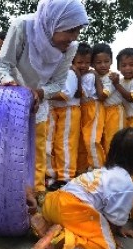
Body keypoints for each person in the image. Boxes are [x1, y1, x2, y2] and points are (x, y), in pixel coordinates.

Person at [0, 0, 88, 199]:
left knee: (36, 154)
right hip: (8, 101)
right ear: (55, 22)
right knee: (8, 152)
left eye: (77, 31)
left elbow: (58, 82)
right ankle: (5, 200)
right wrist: (15, 89)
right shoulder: (23, 27)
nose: (73, 38)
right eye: (71, 30)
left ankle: (36, 196)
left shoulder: (70, 47)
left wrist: (39, 93)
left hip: (38, 105)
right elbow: (2, 65)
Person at [30, 127, 133, 249]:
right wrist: (107, 236)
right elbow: (113, 220)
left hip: (53, 202)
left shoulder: (104, 171)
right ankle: (60, 240)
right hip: (72, 209)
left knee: (77, 216)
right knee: (106, 247)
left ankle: (45, 223)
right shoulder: (125, 184)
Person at [46, 42, 84, 190]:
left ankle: (65, 177)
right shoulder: (50, 70)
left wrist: (42, 93)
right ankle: (50, 175)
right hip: (52, 110)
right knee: (49, 144)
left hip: (68, 110)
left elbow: (65, 94)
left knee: (65, 144)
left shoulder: (69, 72)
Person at [76, 43, 105, 175]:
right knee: (81, 141)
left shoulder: (90, 76)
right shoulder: (77, 74)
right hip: (81, 109)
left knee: (92, 140)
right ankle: (80, 170)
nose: (83, 65)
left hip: (93, 108)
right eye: (80, 62)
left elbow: (81, 93)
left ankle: (98, 171)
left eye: (87, 62)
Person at [91, 43, 125, 155]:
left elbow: (102, 96)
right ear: (92, 63)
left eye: (106, 61)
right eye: (98, 62)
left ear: (111, 61)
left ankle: (118, 168)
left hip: (115, 112)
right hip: (102, 112)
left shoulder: (111, 77)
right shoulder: (93, 76)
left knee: (115, 141)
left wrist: (96, 77)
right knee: (104, 140)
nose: (103, 65)